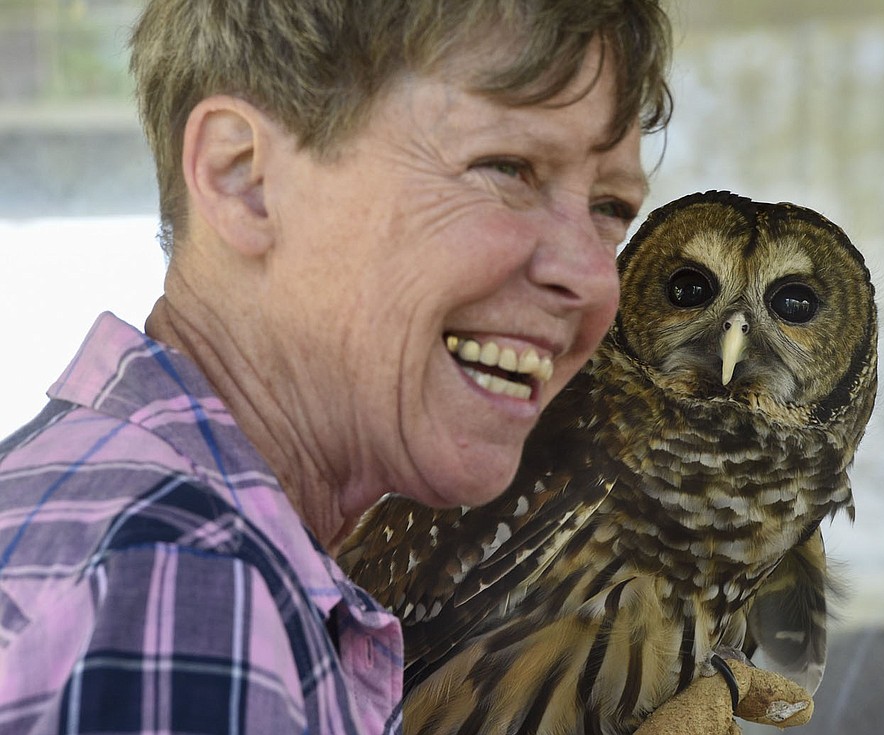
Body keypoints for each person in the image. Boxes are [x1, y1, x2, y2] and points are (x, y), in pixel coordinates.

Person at [0, 1, 672, 733]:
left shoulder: (131, 517)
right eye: (507, 168)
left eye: (611, 207)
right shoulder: (182, 580)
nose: (591, 277)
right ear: (243, 178)